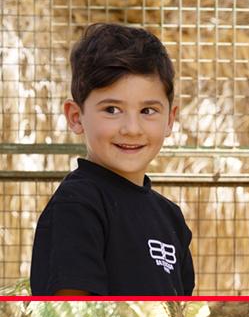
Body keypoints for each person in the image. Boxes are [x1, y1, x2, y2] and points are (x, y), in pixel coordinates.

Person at [30, 22, 195, 296]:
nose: (131, 128)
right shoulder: (78, 204)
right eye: (112, 109)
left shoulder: (171, 217)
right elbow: (71, 305)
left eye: (148, 111)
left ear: (170, 119)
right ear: (75, 116)